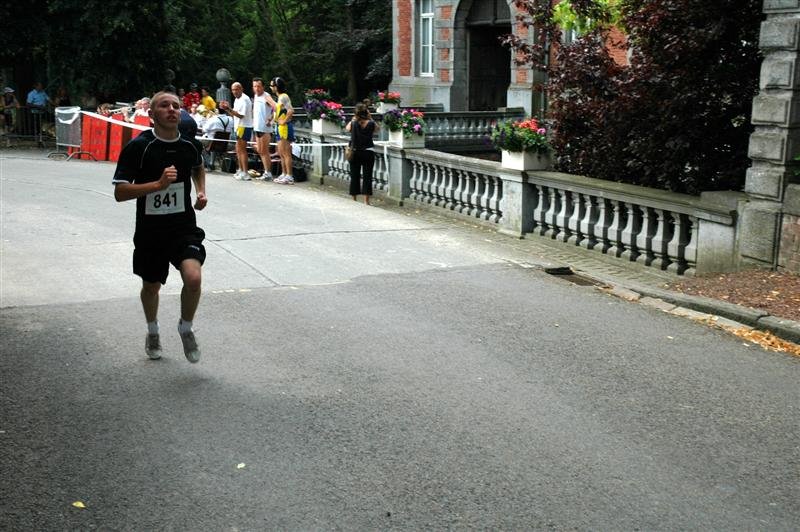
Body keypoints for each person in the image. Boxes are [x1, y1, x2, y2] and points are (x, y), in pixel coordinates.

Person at [111, 90, 208, 363]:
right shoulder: (139, 147)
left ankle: (185, 328)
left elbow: (198, 166)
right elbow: (120, 192)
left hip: (183, 226)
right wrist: (158, 185)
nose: (172, 109)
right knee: (151, 286)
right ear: (152, 114)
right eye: (164, 105)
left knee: (194, 278)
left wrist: (201, 191)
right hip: (151, 230)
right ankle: (153, 331)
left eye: (176, 106)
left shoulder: (190, 145)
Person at [345, 102, 379, 205]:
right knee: (367, 176)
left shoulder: (353, 123)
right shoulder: (371, 123)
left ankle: (354, 198)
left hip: (355, 152)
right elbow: (377, 129)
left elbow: (347, 129)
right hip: (368, 152)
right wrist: (370, 118)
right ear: (367, 113)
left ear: (356, 113)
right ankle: (366, 201)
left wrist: (354, 118)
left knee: (354, 175)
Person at [219, 81, 253, 180]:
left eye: (236, 89)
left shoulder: (244, 99)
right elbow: (234, 114)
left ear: (241, 89)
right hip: (238, 126)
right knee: (238, 149)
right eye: (233, 90)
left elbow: (241, 115)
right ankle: (241, 170)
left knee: (242, 150)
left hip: (244, 126)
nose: (234, 91)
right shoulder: (237, 99)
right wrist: (226, 109)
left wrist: (228, 108)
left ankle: (245, 172)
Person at [249, 77, 275, 180]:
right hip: (257, 127)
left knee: (264, 151)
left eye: (259, 86)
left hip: (265, 128)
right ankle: (266, 172)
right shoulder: (256, 96)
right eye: (254, 86)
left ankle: (268, 173)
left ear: (263, 87)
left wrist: (271, 119)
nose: (256, 88)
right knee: (260, 150)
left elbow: (276, 107)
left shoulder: (266, 96)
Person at [270, 77, 294, 184]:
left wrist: (283, 121)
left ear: (276, 87)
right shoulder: (279, 98)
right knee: (281, 152)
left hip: (284, 127)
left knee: (286, 152)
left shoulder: (284, 96)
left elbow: (290, 110)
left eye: (272, 86)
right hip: (279, 127)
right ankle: (284, 173)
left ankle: (289, 175)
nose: (271, 88)